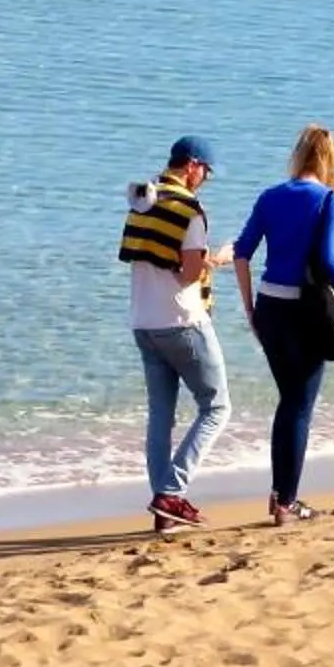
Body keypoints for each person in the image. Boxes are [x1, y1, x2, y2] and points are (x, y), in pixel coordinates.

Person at [234, 123, 334, 526]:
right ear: (330, 160)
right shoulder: (330, 200)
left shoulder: (270, 196)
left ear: (299, 155)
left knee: (288, 401)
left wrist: (249, 308)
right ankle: (287, 502)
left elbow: (241, 253)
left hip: (270, 307)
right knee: (299, 406)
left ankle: (278, 494)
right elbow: (330, 260)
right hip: (305, 311)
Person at [121, 134, 231, 531]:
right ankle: (171, 492)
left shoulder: (143, 201)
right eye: (206, 172)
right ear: (192, 166)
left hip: (143, 321)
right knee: (216, 407)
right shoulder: (190, 211)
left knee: (160, 418)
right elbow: (188, 273)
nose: (206, 179)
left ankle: (164, 510)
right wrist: (215, 260)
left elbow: (153, 258)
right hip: (182, 322)